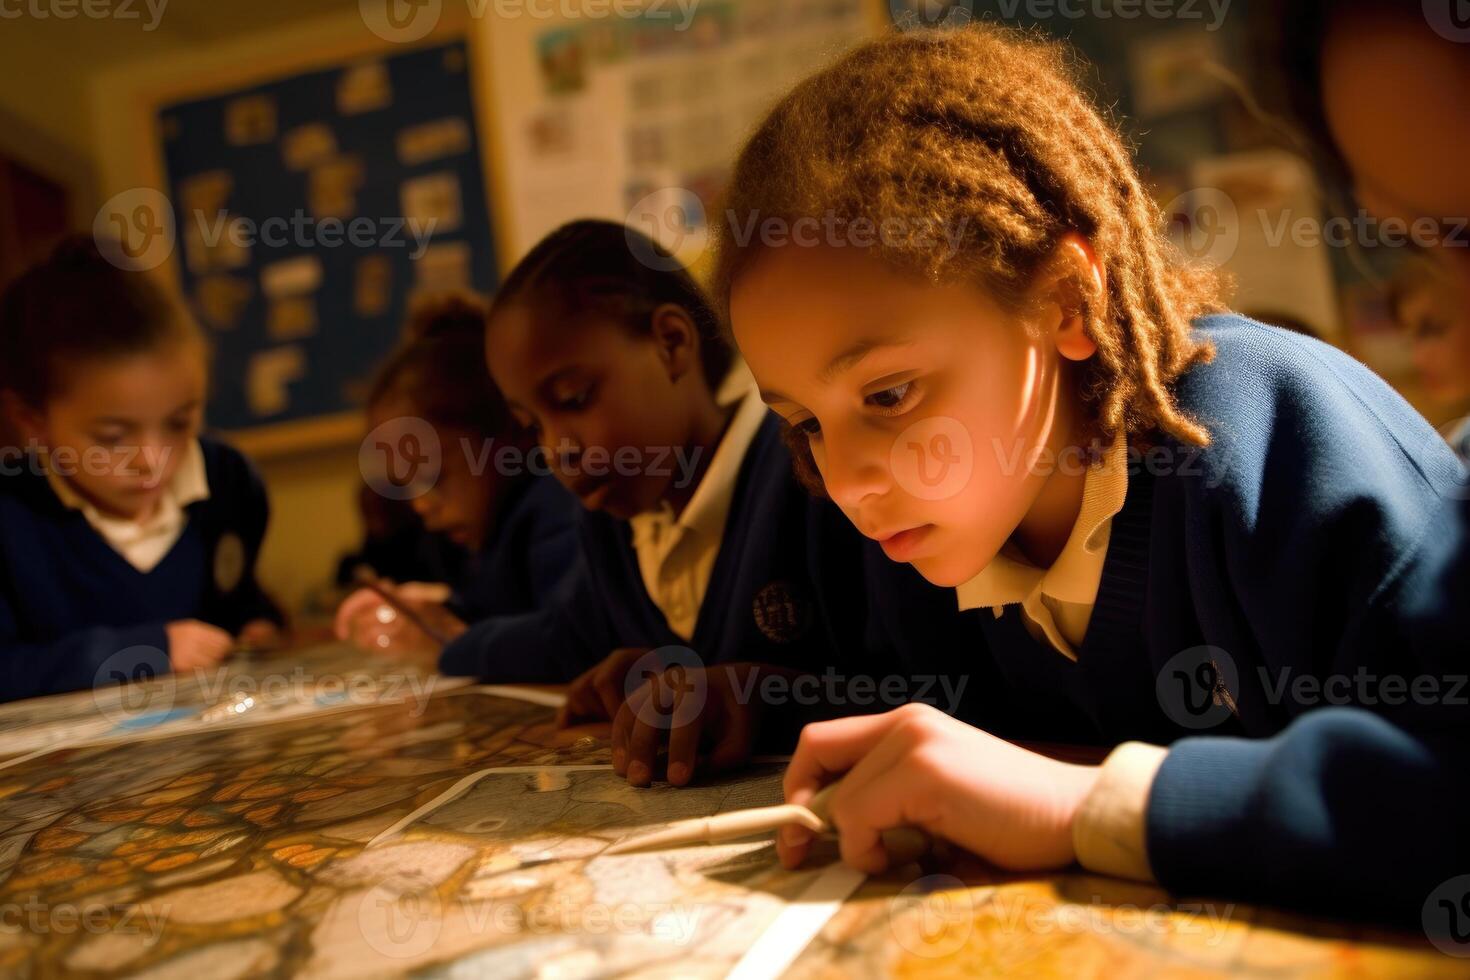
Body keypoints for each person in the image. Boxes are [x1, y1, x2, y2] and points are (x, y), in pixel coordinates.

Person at [706, 26, 1468, 920]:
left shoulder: (1275, 450)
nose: (848, 484)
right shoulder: (914, 536)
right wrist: (761, 698)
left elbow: (1435, 786)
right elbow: (937, 726)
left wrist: (1090, 804)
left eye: (890, 394)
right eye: (803, 423)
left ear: (1068, 301)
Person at [443, 220, 995, 786]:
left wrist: (766, 699)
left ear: (672, 344)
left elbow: (950, 696)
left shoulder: (820, 478)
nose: (559, 450)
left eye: (574, 400)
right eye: (533, 426)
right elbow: (565, 637)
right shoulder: (612, 530)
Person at [0, 236, 282, 701]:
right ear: (32, 421)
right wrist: (145, 649)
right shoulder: (13, 518)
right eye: (112, 438)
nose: (154, 460)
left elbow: (232, 598)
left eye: (180, 423)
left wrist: (259, 624)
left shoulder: (230, 483)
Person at [334, 291, 580, 655]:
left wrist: (454, 640)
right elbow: (488, 612)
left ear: (506, 438)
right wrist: (432, 610)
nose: (419, 505)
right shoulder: (469, 537)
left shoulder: (553, 509)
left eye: (433, 477)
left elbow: (572, 637)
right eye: (404, 485)